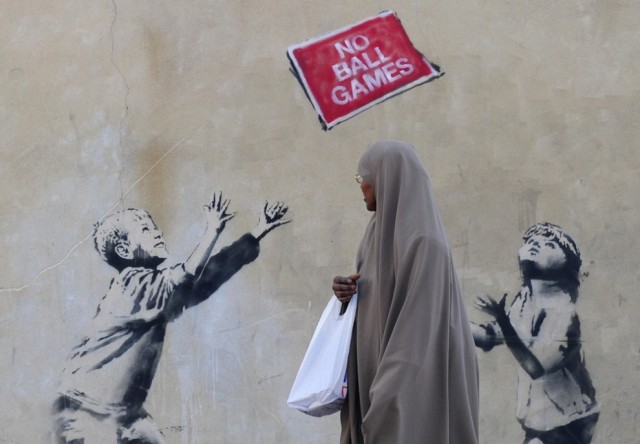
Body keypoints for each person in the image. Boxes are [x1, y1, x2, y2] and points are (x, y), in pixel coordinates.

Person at [53, 192, 290, 443]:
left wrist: (258, 231)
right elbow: (187, 275)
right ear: (124, 250)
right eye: (145, 229)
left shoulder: (157, 294)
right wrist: (212, 230)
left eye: (154, 227)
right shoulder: (130, 285)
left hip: (126, 414)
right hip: (86, 410)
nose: (157, 232)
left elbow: (206, 279)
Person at [332, 140, 479, 444]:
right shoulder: (375, 235)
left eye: (363, 178)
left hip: (409, 380)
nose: (361, 186)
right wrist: (347, 294)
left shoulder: (425, 244)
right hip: (378, 374)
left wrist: (388, 392)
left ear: (386, 178)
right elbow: (378, 300)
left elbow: (417, 329)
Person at [472, 222, 599, 444]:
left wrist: (502, 319)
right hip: (539, 423)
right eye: (531, 241)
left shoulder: (564, 311)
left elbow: (536, 368)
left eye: (549, 243)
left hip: (568, 422)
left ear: (567, 262)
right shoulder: (523, 302)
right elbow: (488, 337)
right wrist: (447, 321)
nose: (536, 244)